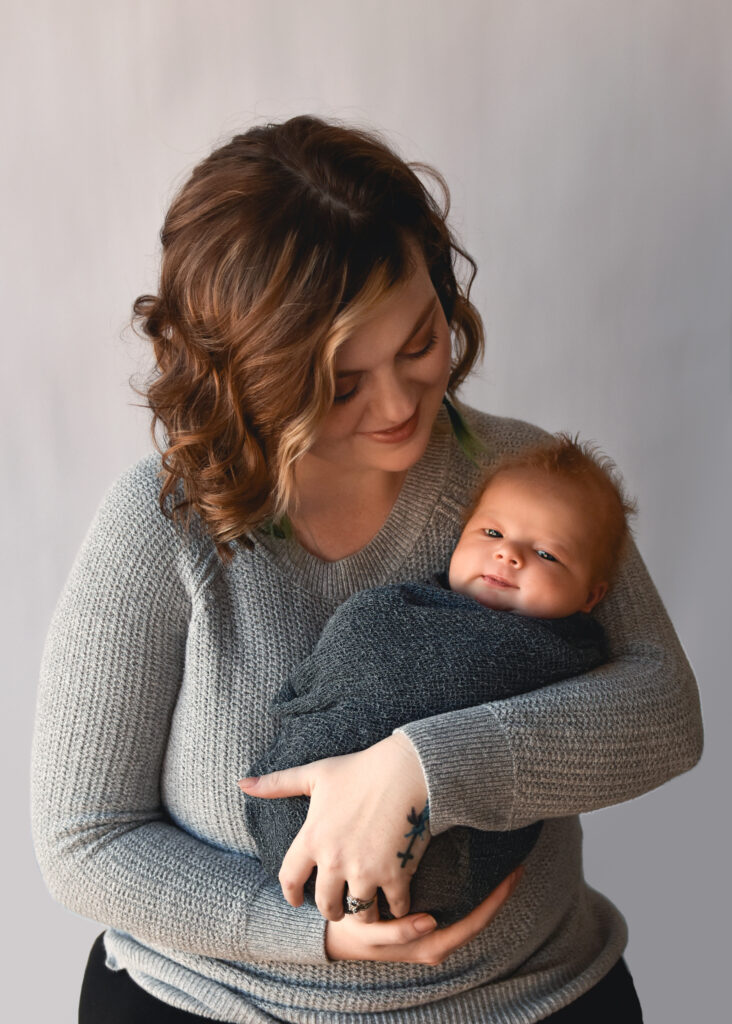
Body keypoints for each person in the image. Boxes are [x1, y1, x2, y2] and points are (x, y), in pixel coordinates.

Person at [31, 115, 702, 1024]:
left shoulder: (526, 488)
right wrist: (304, 933)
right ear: (248, 376)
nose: (398, 405)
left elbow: (665, 712)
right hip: (222, 1001)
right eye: (340, 383)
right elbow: (84, 840)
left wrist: (421, 770)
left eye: (421, 340)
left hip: (524, 997)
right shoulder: (164, 527)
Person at [244, 433, 634, 929]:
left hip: (446, 869)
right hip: (296, 817)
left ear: (590, 596)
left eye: (546, 554)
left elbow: (650, 708)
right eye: (491, 534)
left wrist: (420, 762)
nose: (509, 555)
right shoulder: (407, 604)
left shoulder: (565, 659)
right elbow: (347, 649)